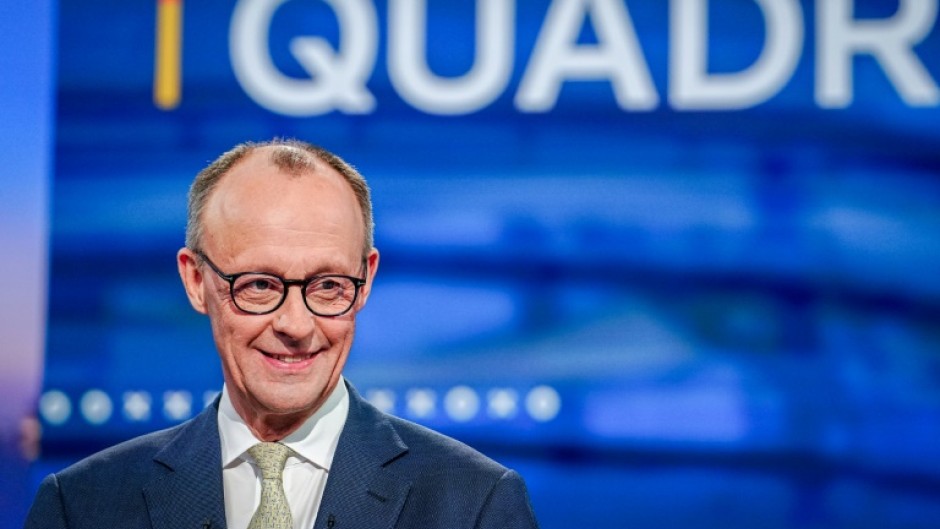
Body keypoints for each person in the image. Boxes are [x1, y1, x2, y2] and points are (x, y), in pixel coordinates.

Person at [24, 139, 540, 529]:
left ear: (366, 282)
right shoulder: (84, 506)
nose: (295, 325)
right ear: (196, 280)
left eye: (329, 285)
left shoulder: (474, 505)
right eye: (259, 285)